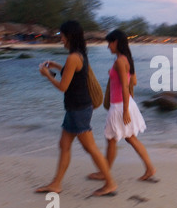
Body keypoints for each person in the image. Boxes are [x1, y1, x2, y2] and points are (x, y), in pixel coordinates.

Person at [35, 20, 117, 197]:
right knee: (64, 144)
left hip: (79, 109)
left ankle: (110, 183)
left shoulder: (73, 57)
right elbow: (73, 74)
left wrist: (46, 75)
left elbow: (63, 86)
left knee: (90, 148)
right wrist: (56, 66)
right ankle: (56, 184)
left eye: (62, 36)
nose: (61, 39)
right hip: (75, 108)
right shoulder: (79, 55)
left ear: (69, 36)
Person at [88, 29, 156, 182]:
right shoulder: (126, 59)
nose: (108, 47)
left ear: (116, 42)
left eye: (109, 43)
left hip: (120, 106)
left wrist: (125, 111)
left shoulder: (119, 61)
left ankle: (104, 173)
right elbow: (134, 81)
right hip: (126, 104)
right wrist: (115, 75)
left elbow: (126, 87)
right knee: (130, 138)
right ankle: (150, 168)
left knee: (111, 139)